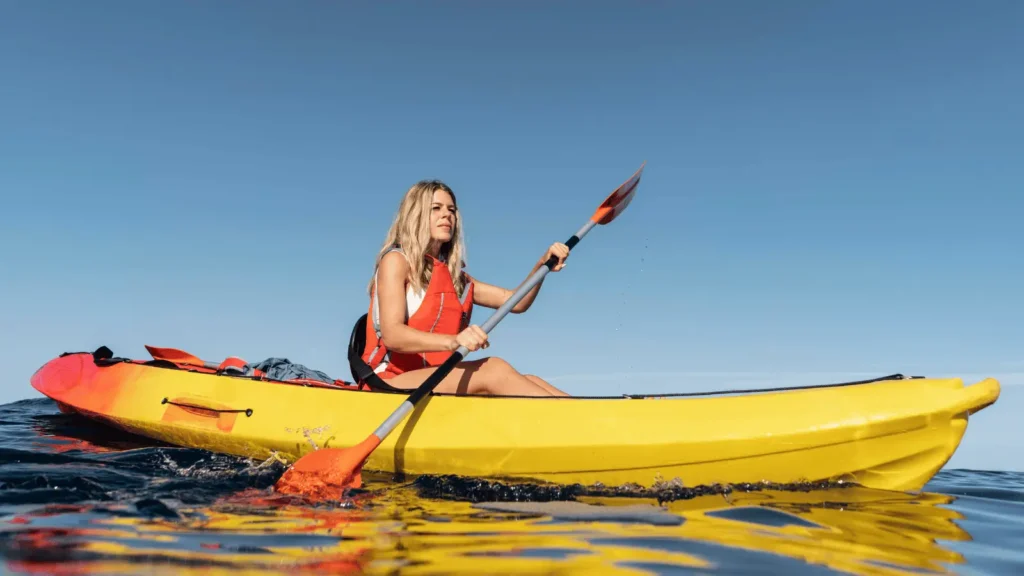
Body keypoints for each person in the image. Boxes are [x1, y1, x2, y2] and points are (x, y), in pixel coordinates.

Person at [358, 179, 570, 397]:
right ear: (416, 214)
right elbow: (393, 335)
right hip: (389, 380)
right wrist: (454, 340)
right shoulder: (396, 261)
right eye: (436, 208)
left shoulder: (458, 280)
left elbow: (517, 302)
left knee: (531, 380)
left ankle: (596, 423)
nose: (447, 215)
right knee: (493, 370)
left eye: (451, 209)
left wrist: (542, 265)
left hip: (434, 378)